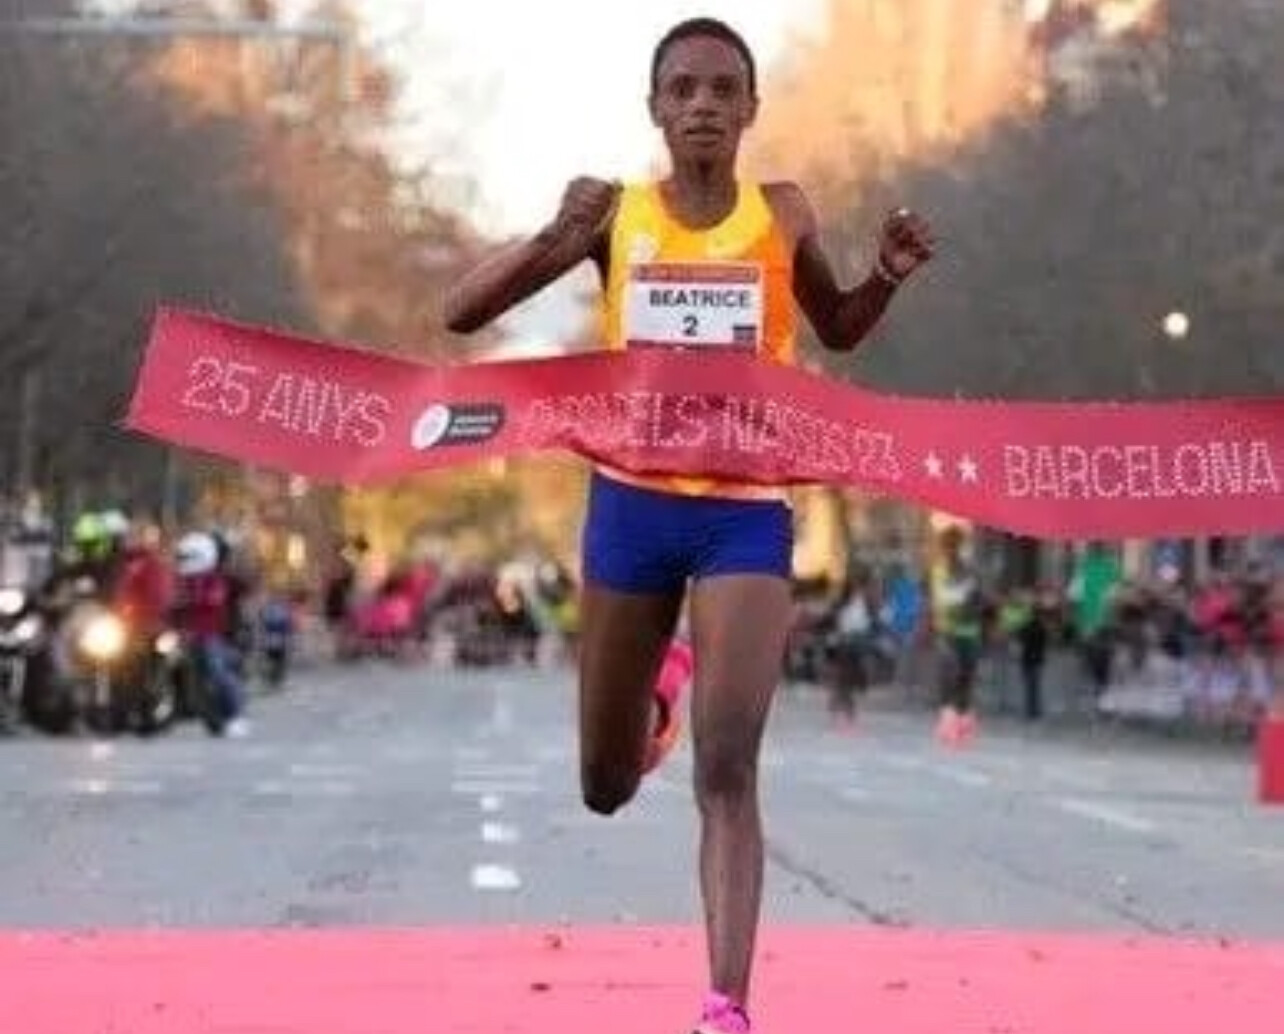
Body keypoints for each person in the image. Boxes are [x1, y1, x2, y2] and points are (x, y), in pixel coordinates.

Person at [443, 17, 934, 1033]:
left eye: (722, 89)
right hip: (631, 504)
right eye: (683, 90)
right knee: (605, 783)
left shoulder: (781, 210)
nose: (703, 105)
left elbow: (837, 328)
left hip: (744, 511)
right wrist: (554, 237)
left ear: (750, 109)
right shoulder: (614, 214)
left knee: (729, 764)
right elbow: (461, 312)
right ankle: (656, 699)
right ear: (656, 110)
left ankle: (726, 1005)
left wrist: (885, 275)